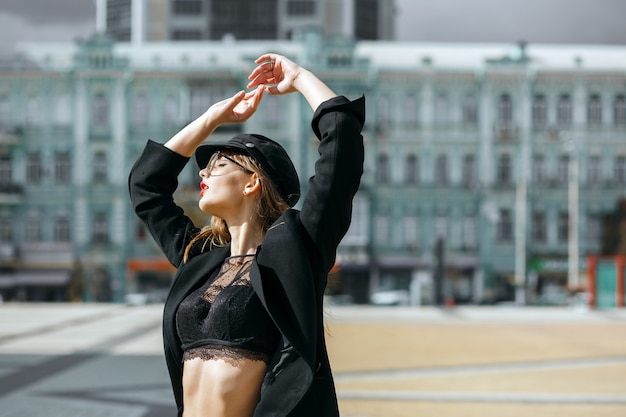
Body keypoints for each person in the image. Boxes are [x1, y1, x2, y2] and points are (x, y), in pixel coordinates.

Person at [128, 53, 365, 417]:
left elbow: (341, 150)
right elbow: (147, 186)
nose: (203, 175)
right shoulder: (201, 257)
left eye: (219, 166)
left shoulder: (296, 250)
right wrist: (212, 120)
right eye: (205, 167)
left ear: (253, 182)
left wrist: (299, 77)